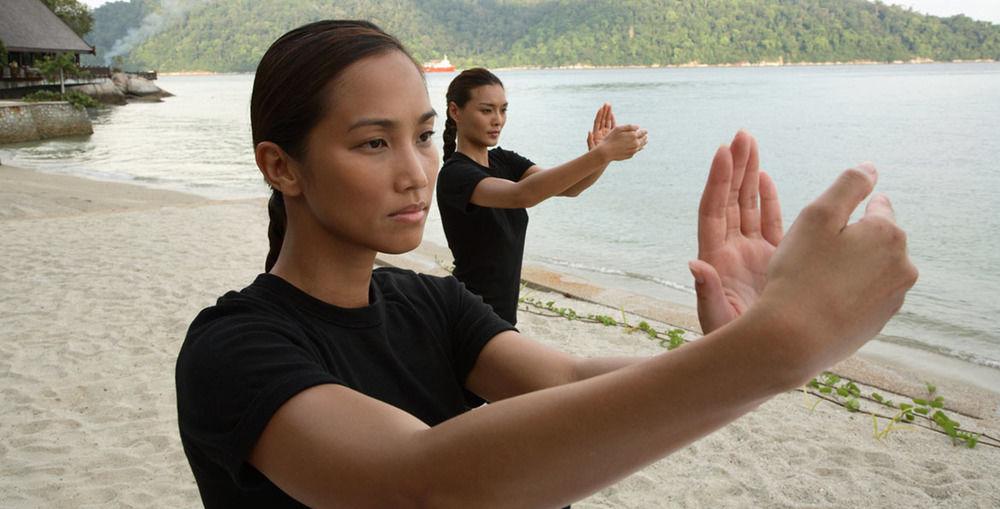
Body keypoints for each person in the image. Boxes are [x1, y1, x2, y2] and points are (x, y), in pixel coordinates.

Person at [175, 20, 918, 508]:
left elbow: (566, 378)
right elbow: (418, 484)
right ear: (283, 167)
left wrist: (733, 349)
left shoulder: (428, 303)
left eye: (424, 136)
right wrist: (776, 348)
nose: (415, 170)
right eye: (374, 142)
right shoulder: (234, 350)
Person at [437, 68, 646, 325]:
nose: (498, 120)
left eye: (503, 110)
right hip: (470, 314)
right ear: (455, 111)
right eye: (486, 110)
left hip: (501, 315)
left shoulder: (504, 160)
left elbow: (569, 188)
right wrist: (600, 155)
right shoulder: (455, 175)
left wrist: (603, 157)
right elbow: (521, 195)